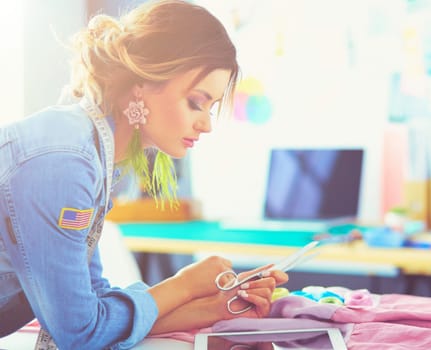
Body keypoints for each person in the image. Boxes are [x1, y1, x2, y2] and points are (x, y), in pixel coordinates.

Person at [0, 1, 288, 349]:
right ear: (141, 84)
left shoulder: (97, 154)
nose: (207, 124)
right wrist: (185, 285)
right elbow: (80, 333)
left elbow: (96, 306)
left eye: (211, 108)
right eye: (197, 102)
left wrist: (214, 307)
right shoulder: (64, 162)